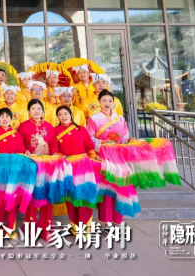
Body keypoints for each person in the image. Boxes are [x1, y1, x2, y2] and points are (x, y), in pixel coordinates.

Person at [86, 89, 137, 226]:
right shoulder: (94, 118)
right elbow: (89, 138)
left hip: (118, 156)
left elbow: (124, 136)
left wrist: (129, 140)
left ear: (113, 102)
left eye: (110, 101)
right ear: (99, 102)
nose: (107, 103)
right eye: (104, 100)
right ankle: (106, 221)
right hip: (102, 156)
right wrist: (102, 142)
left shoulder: (120, 118)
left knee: (119, 187)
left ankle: (118, 220)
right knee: (106, 188)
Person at [17, 99, 58, 240]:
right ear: (29, 111)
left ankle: (47, 229)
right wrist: (25, 152)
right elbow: (19, 144)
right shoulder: (23, 126)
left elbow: (53, 143)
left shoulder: (49, 126)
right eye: (33, 108)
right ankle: (31, 228)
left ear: (43, 111)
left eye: (39, 108)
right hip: (31, 164)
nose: (36, 111)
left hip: (47, 165)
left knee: (46, 196)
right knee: (31, 196)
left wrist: (54, 154)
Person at [54, 105, 99, 235]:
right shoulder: (55, 130)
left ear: (71, 114)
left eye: (65, 113)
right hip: (67, 167)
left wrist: (92, 154)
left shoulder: (81, 129)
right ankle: (75, 227)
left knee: (84, 195)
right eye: (60, 115)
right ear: (57, 117)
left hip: (83, 166)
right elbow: (54, 148)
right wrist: (59, 156)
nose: (63, 116)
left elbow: (89, 146)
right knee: (71, 197)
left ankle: (85, 228)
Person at [0, 108, 26, 244]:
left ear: (11, 118)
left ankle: (10, 229)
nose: (4, 119)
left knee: (12, 201)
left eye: (7, 117)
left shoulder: (16, 135)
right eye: (2, 117)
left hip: (12, 173)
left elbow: (21, 153)